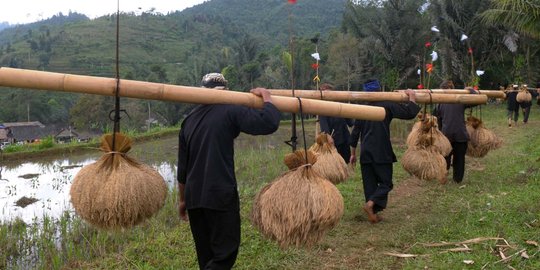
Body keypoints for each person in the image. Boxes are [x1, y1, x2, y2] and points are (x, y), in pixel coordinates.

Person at [177, 73, 281, 270]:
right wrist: (267, 98)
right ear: (226, 91)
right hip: (219, 194)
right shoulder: (229, 108)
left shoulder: (188, 121)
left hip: (194, 198)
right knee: (225, 254)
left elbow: (182, 169)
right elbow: (268, 122)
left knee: (206, 255)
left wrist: (183, 200)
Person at [349, 79, 420, 224]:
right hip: (381, 150)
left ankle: (373, 214)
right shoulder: (387, 104)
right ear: (379, 90)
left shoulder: (362, 108)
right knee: (386, 183)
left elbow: (355, 134)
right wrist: (412, 97)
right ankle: (370, 205)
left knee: (370, 184)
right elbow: (408, 113)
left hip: (366, 152)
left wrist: (352, 154)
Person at [432, 81, 477, 184]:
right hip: (458, 135)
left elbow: (436, 117)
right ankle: (457, 180)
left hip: (447, 136)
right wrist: (470, 90)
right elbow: (476, 100)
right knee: (459, 159)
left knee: (445, 158)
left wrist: (440, 132)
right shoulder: (460, 100)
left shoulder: (441, 102)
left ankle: (444, 176)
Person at [318, 83, 354, 162]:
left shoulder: (340, 105)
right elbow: (325, 129)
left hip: (344, 141)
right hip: (333, 144)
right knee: (334, 167)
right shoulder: (322, 108)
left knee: (344, 165)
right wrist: (328, 137)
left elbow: (350, 122)